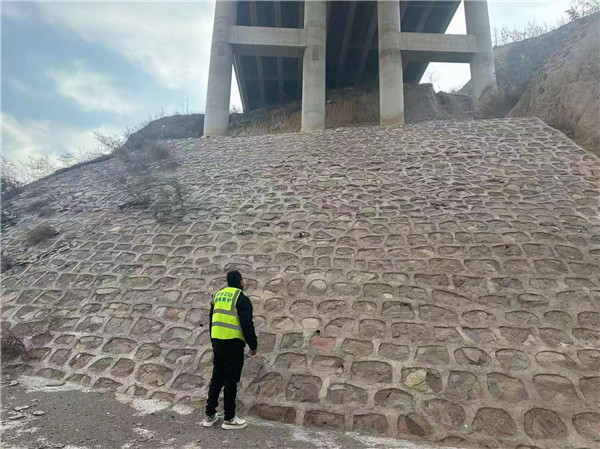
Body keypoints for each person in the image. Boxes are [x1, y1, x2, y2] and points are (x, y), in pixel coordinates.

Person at [202, 270, 257, 430]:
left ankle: (209, 415)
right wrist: (253, 345)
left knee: (217, 378)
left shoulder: (217, 296)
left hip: (217, 342)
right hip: (233, 343)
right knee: (231, 381)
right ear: (240, 282)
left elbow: (211, 319)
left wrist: (213, 339)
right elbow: (247, 324)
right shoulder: (241, 298)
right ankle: (229, 418)